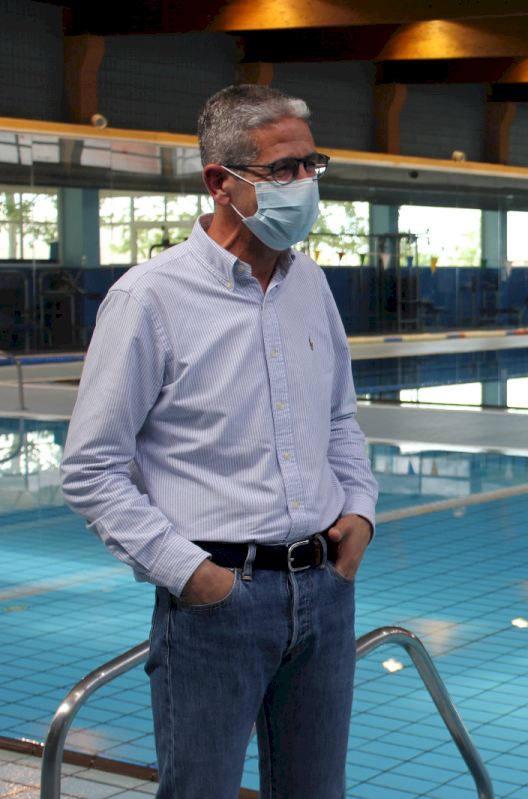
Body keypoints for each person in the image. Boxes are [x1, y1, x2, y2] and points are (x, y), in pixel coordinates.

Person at [60, 85, 378, 799]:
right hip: (217, 605)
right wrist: (196, 576)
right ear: (219, 181)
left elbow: (338, 419)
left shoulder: (310, 285)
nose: (305, 183)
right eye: (283, 169)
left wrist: (360, 512)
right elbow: (92, 469)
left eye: (312, 165)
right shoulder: (150, 298)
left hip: (325, 590)